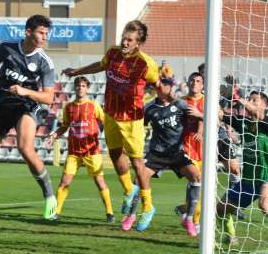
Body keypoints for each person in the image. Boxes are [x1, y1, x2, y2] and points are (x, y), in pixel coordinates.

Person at [62, 20, 159, 231]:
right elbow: (101, 65)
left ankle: (148, 207)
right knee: (115, 154)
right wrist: (77, 71)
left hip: (132, 119)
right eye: (124, 37)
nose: (124, 42)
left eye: (130, 40)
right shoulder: (113, 52)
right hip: (111, 114)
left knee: (137, 163)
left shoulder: (146, 63)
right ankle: (128, 190)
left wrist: (161, 102)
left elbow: (158, 83)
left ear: (139, 42)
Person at [0, 14, 57, 221]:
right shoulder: (5, 48)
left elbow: (49, 97)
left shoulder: (45, 62)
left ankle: (50, 198)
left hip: (28, 105)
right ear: (28, 32)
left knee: (25, 148)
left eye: (47, 33)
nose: (45, 37)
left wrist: (25, 92)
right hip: (3, 105)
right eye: (41, 33)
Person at [126, 78, 201, 237]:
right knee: (138, 180)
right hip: (156, 154)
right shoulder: (149, 108)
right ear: (158, 90)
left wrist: (200, 118)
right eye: (164, 86)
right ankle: (131, 215)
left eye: (169, 86)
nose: (168, 89)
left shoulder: (180, 105)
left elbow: (199, 117)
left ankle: (188, 219)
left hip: (176, 153)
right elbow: (138, 127)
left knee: (195, 176)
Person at [45, 76, 114, 222]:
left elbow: (106, 122)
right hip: (74, 153)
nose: (80, 88)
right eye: (78, 86)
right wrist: (53, 136)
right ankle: (56, 212)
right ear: (74, 87)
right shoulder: (69, 107)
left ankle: (109, 213)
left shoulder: (94, 106)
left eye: (83, 86)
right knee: (64, 182)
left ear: (87, 88)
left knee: (100, 182)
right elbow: (64, 126)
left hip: (92, 151)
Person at [217, 91, 268, 244]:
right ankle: (231, 237)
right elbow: (220, 115)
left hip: (266, 175)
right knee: (221, 209)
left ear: (265, 106)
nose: (250, 101)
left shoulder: (265, 122)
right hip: (249, 178)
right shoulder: (242, 122)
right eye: (250, 99)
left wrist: (240, 99)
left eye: (255, 100)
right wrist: (213, 98)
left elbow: (258, 114)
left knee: (264, 204)